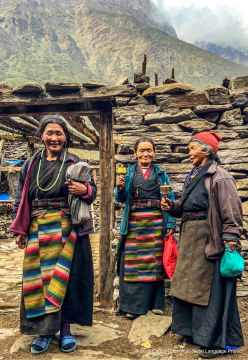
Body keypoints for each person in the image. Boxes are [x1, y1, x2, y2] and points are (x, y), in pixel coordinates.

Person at [10, 115, 97, 355]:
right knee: (38, 279)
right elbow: (20, 197)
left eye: (59, 133)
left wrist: (86, 189)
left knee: (65, 278)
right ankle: (44, 330)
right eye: (50, 133)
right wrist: (19, 228)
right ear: (42, 136)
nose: (54, 138)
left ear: (66, 137)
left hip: (67, 227)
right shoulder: (31, 165)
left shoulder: (74, 161)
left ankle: (66, 328)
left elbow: (93, 190)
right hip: (38, 226)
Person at [161, 131, 244, 358]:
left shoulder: (220, 176)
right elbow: (188, 207)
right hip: (190, 238)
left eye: (192, 149)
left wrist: (231, 238)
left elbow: (232, 212)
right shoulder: (194, 174)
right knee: (189, 287)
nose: (189, 153)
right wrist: (172, 207)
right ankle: (192, 331)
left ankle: (216, 343)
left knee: (210, 290)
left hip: (210, 239)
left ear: (207, 150)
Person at [114, 137, 176, 319]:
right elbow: (121, 198)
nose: (145, 154)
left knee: (155, 263)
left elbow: (170, 198)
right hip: (134, 224)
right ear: (135, 153)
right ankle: (133, 307)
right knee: (132, 264)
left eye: (149, 150)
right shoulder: (129, 172)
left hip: (157, 222)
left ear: (154, 153)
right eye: (141, 150)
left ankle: (155, 304)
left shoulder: (161, 173)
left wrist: (170, 223)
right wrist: (120, 187)